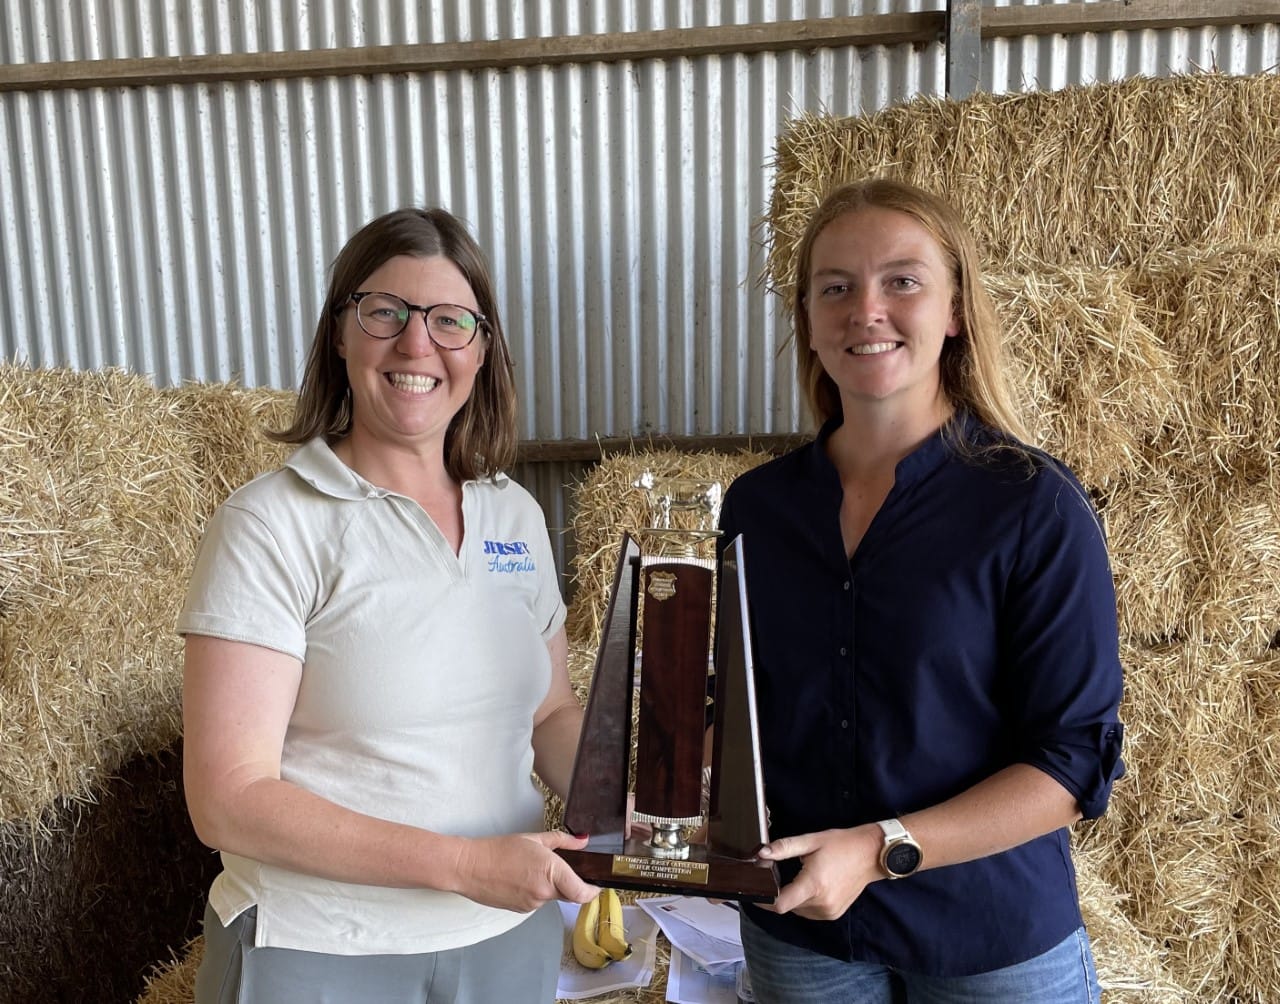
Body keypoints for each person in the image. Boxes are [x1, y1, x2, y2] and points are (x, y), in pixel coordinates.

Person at [717, 178, 1125, 1003]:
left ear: (956, 310)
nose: (866, 310)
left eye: (901, 281)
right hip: (802, 931)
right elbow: (740, 715)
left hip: (990, 942)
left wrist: (878, 851)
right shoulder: (756, 507)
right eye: (835, 287)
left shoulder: (1033, 505)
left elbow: (1073, 762)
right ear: (807, 318)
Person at [179, 207, 598, 1004]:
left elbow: (549, 714)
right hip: (320, 949)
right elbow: (229, 799)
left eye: (450, 321)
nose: (416, 344)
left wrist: (641, 806)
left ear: (482, 350)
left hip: (506, 941)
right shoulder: (271, 523)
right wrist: (466, 865)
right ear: (340, 334)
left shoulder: (513, 514)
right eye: (385, 312)